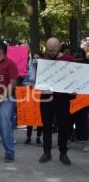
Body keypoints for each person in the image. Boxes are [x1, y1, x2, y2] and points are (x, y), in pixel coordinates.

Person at [39, 37, 74, 165]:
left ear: (59, 47)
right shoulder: (43, 60)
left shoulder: (68, 60)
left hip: (62, 99)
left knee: (63, 126)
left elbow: (74, 77)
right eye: (48, 50)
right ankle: (46, 152)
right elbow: (35, 79)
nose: (51, 53)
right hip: (46, 98)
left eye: (53, 50)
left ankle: (63, 153)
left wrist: (74, 88)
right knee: (46, 125)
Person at [0, 41, 18, 162]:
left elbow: (13, 83)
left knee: (4, 126)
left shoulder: (10, 64)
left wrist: (1, 98)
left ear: (1, 49)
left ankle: (9, 152)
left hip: (5, 99)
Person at [23, 52, 43, 145]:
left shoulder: (44, 70)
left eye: (37, 58)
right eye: (34, 58)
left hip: (41, 96)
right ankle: (28, 137)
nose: (35, 59)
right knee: (30, 116)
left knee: (40, 117)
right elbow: (24, 81)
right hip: (30, 95)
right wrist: (28, 84)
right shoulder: (29, 69)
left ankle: (38, 138)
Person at [71, 48, 89, 148]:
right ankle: (69, 141)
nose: (77, 60)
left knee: (84, 121)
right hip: (72, 97)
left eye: (79, 57)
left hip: (84, 99)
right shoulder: (68, 67)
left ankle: (85, 141)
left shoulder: (87, 67)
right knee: (70, 120)